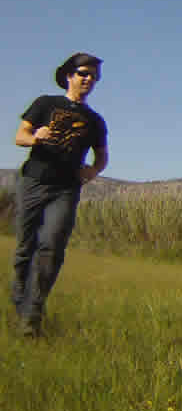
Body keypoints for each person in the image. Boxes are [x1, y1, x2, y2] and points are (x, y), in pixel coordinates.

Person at [11, 53, 109, 337]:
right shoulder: (45, 103)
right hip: (33, 182)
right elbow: (20, 136)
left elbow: (102, 156)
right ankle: (20, 299)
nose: (88, 79)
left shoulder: (94, 120)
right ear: (69, 75)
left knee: (52, 247)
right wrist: (35, 138)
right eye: (83, 73)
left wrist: (92, 171)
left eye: (94, 76)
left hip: (66, 189)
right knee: (25, 247)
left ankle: (32, 315)